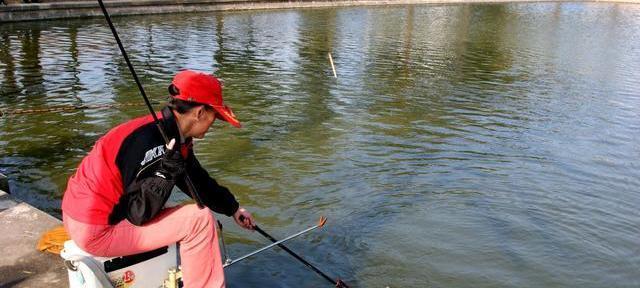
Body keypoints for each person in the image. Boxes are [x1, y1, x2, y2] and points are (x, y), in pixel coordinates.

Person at [61, 70, 255, 288]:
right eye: (215, 116)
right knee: (198, 220)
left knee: (185, 210)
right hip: (96, 229)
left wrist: (233, 208)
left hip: (80, 216)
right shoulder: (148, 142)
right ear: (200, 113)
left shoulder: (171, 135)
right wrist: (165, 174)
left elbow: (196, 180)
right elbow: (138, 215)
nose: (214, 123)